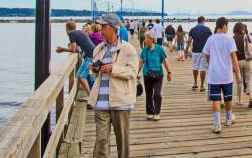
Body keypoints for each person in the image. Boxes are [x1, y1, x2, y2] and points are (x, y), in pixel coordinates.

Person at [88, 13, 138, 158]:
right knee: (101, 140)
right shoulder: (98, 48)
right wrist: (94, 69)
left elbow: (133, 72)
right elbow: (94, 75)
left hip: (121, 102)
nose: (100, 28)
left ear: (112, 28)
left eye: (103, 26)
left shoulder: (128, 49)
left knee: (122, 141)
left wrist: (112, 69)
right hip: (100, 102)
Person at [202, 17, 241, 134]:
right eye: (227, 26)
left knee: (216, 99)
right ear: (224, 26)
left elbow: (206, 55)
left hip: (214, 74)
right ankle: (229, 118)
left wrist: (210, 63)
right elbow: (233, 56)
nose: (227, 28)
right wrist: (238, 72)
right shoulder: (229, 39)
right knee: (228, 97)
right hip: (226, 74)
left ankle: (217, 124)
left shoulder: (210, 39)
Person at [56, 20, 95, 100]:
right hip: (93, 53)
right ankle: (92, 95)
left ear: (66, 28)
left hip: (90, 56)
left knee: (80, 76)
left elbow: (73, 50)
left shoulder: (71, 34)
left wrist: (62, 49)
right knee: (85, 75)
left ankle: (90, 96)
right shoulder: (79, 32)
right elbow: (77, 49)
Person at [137, 31, 171, 120]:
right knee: (148, 94)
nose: (145, 40)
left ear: (151, 39)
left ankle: (157, 112)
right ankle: (150, 112)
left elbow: (164, 61)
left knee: (157, 94)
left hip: (158, 74)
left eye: (146, 38)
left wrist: (169, 72)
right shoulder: (144, 50)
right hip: (147, 74)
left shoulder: (159, 49)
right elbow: (141, 62)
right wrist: (136, 73)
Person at [233, 22, 252, 107]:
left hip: (238, 61)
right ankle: (251, 98)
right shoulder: (247, 37)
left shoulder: (233, 38)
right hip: (248, 61)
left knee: (239, 81)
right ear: (242, 29)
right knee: (249, 81)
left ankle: (239, 100)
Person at [185, 16, 213, 91]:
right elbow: (211, 41)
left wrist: (186, 51)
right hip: (204, 51)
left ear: (198, 21)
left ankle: (195, 83)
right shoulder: (207, 29)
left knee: (195, 67)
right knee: (202, 68)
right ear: (203, 21)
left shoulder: (192, 29)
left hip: (195, 51)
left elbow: (189, 41)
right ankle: (202, 86)